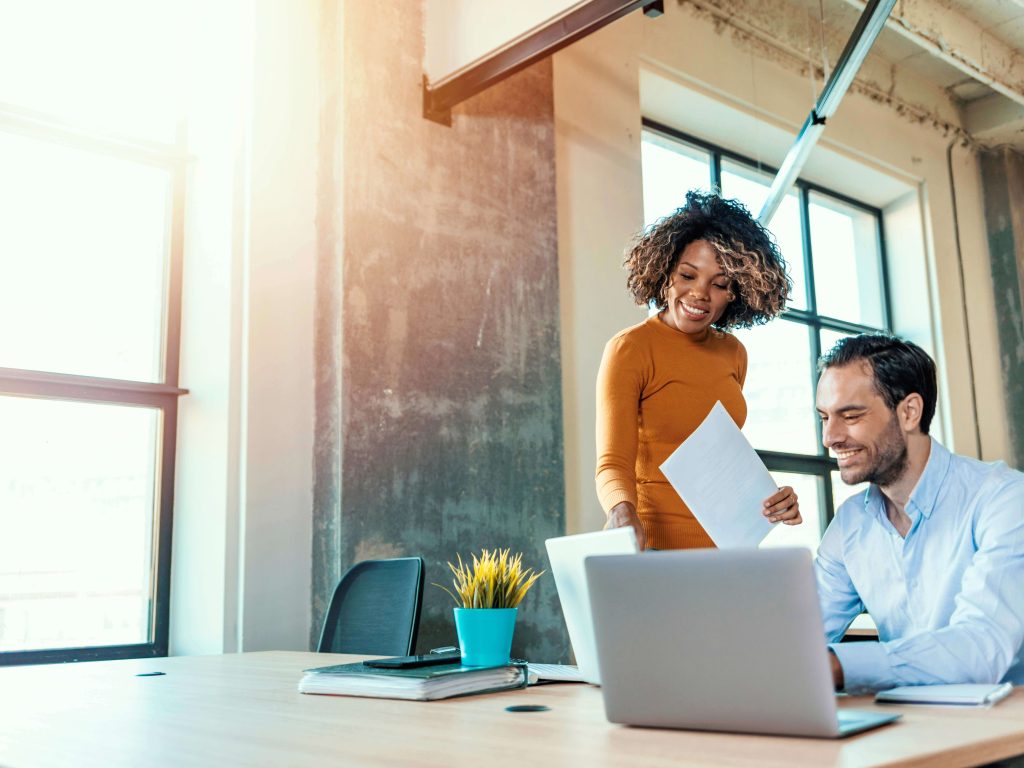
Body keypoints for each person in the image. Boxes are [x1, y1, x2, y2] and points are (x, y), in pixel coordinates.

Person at [815, 334, 1024, 693]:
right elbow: (801, 633)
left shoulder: (1004, 499)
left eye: (850, 416)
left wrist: (836, 667)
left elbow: (980, 650)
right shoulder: (850, 523)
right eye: (824, 417)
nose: (829, 437)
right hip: (911, 725)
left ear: (909, 412)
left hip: (1005, 732)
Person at [596, 190, 801, 550]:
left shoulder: (733, 354)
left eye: (719, 284)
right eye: (687, 276)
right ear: (664, 272)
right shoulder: (631, 349)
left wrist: (773, 500)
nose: (699, 294)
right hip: (655, 549)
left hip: (727, 550)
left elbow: (721, 460)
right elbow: (613, 462)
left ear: (736, 292)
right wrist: (622, 511)